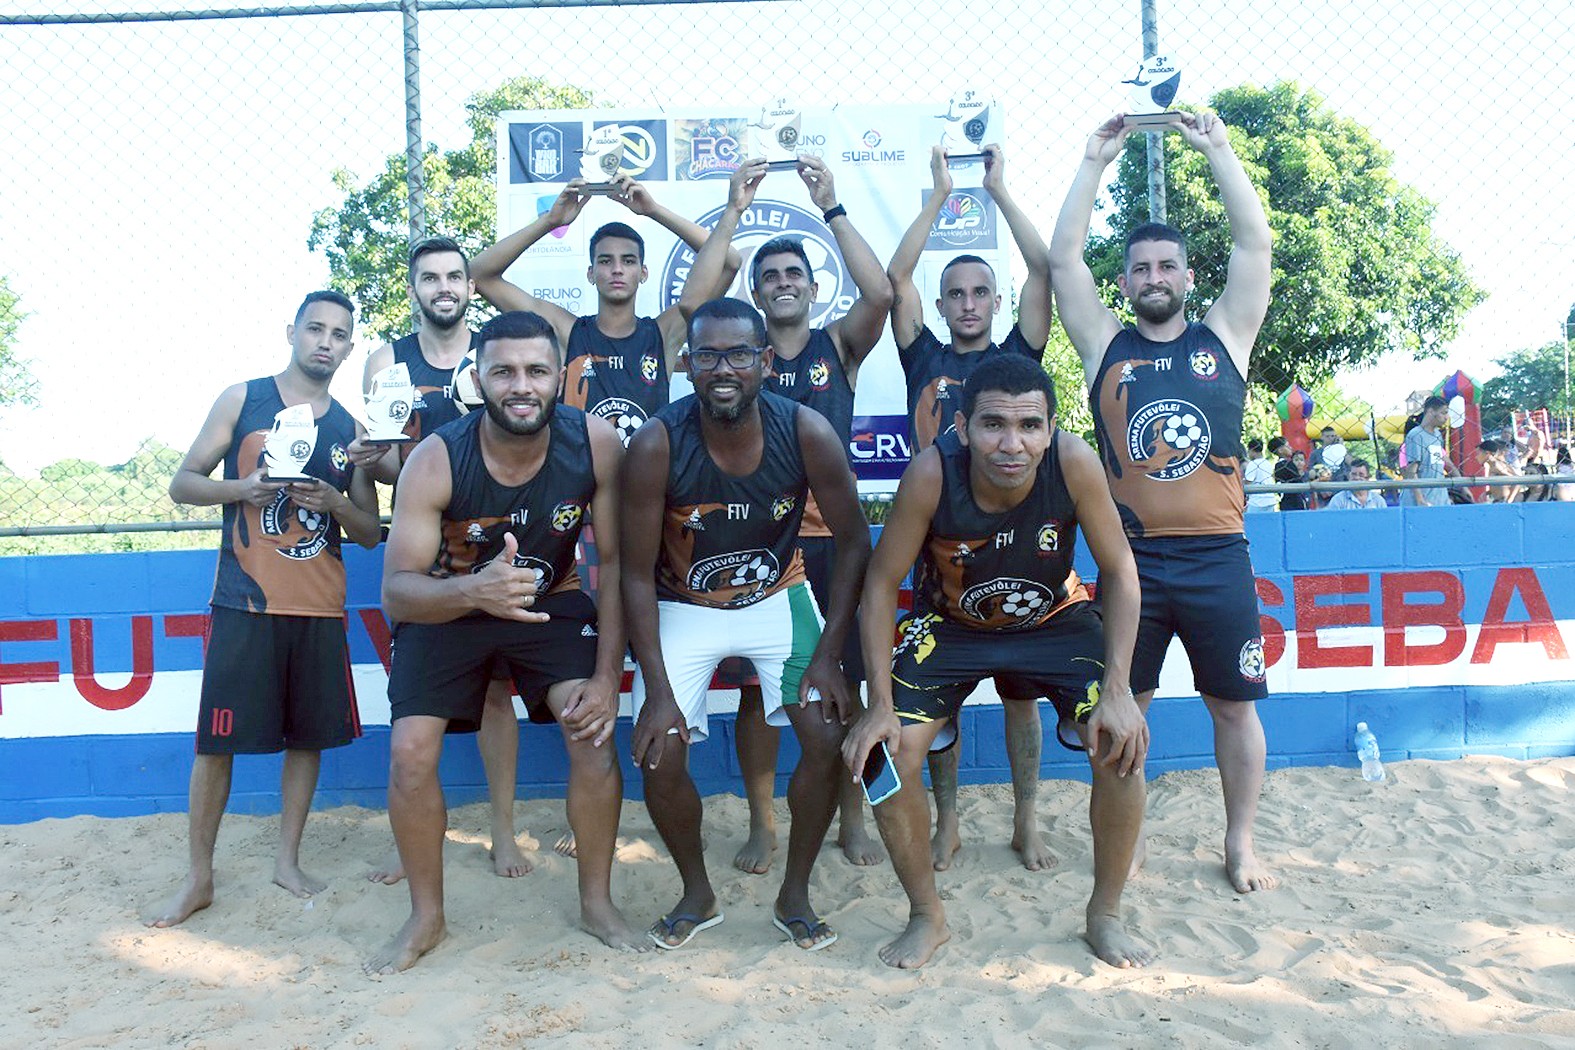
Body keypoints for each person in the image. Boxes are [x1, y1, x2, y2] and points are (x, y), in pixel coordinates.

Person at [843, 355, 1150, 970]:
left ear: (1051, 428)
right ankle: (927, 915)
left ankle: (1105, 914)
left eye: (1030, 426)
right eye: (993, 425)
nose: (1012, 443)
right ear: (962, 427)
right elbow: (880, 586)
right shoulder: (932, 473)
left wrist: (1118, 687)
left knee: (1121, 738)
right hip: (950, 625)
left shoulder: (1073, 463)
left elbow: (1120, 571)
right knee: (885, 754)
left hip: (1052, 620)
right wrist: (878, 704)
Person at [367, 310, 641, 974]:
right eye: (504, 371)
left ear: (560, 379)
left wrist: (608, 677)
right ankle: (426, 916)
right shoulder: (436, 457)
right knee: (409, 750)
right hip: (449, 608)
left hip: (548, 601)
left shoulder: (597, 442)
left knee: (592, 730)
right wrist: (472, 592)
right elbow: (397, 592)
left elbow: (619, 568)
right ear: (478, 378)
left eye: (536, 370)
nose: (521, 385)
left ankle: (597, 903)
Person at [1050, 111, 1278, 893]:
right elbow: (1063, 256)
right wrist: (1092, 161)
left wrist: (1216, 149)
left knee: (1232, 709)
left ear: (1185, 278)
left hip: (1219, 556)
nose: (1152, 278)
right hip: (1131, 566)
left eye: (1165, 267)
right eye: (1139, 268)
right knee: (1123, 710)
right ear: (1125, 284)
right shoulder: (1102, 347)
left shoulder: (1223, 338)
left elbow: (1254, 246)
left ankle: (1239, 843)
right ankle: (1127, 842)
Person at [621, 298, 871, 951]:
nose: (722, 368)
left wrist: (829, 656)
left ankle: (795, 893)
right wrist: (654, 688)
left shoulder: (806, 429)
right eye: (707, 355)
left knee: (824, 731)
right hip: (685, 605)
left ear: (764, 361)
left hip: (775, 596)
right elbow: (636, 573)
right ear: (687, 364)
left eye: (738, 354)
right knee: (659, 749)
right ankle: (696, 893)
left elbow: (851, 542)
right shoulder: (657, 442)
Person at [146, 290, 383, 928]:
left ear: (349, 346)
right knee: (215, 744)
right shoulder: (243, 398)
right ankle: (199, 878)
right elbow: (182, 482)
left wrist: (336, 503)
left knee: (307, 739)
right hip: (244, 603)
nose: (325, 342)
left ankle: (287, 860)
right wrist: (243, 488)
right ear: (292, 332)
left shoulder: (353, 432)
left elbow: (368, 532)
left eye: (338, 333)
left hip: (319, 608)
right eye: (315, 329)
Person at [684, 155, 894, 872]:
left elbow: (882, 292)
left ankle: (852, 819)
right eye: (768, 277)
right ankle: (762, 822)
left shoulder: (839, 345)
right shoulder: (734, 358)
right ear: (755, 292)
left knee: (850, 686)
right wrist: (733, 211)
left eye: (793, 276)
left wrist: (830, 205)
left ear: (811, 287)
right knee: (759, 691)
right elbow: (690, 301)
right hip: (761, 545)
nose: (781, 284)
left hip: (833, 544)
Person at [887, 143, 1060, 872]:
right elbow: (895, 277)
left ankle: (1026, 820)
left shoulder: (1017, 359)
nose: (965, 304)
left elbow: (1045, 270)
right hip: (939, 556)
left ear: (994, 300)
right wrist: (938, 195)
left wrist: (998, 191)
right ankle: (948, 822)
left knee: (1022, 700)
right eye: (953, 293)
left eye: (977, 292)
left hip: (1021, 554)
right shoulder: (922, 357)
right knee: (942, 702)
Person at [354, 237, 537, 885]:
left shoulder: (495, 358)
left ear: (468, 286)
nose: (444, 287)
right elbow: (378, 463)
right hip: (424, 556)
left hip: (495, 547)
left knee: (494, 696)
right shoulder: (387, 361)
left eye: (455, 276)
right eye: (430, 277)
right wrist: (405, 463)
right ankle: (413, 845)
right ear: (413, 289)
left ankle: (504, 834)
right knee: (416, 709)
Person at [471, 176, 740, 445]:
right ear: (591, 273)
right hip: (580, 482)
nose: (617, 269)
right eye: (605, 260)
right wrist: (550, 222)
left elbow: (729, 260)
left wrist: (654, 211)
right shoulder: (568, 332)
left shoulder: (663, 333)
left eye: (628, 260)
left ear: (643, 273)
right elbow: (479, 275)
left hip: (647, 480)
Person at [1401, 396, 1458, 507]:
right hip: (1422, 501)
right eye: (1444, 413)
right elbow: (1412, 471)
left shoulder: (1437, 435)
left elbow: (1439, 463)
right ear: (1431, 412)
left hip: (1439, 499)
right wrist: (1420, 500)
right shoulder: (1415, 436)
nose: (1447, 417)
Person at [1477, 438, 1521, 503]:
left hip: (1503, 500)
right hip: (1498, 500)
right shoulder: (1492, 465)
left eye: (1478, 453)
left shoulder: (1496, 465)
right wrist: (1488, 493)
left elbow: (1517, 481)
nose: (1476, 457)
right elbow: (1501, 484)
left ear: (1487, 453)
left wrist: (1510, 499)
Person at [1242, 438, 1277, 513]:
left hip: (1257, 501)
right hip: (1270, 499)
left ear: (1252, 450)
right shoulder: (1267, 463)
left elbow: (1248, 481)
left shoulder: (1253, 464)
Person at [1275, 444, 1308, 512]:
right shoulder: (1286, 466)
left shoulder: (1308, 475)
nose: (1299, 462)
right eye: (1296, 460)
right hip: (1293, 504)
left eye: (1301, 460)